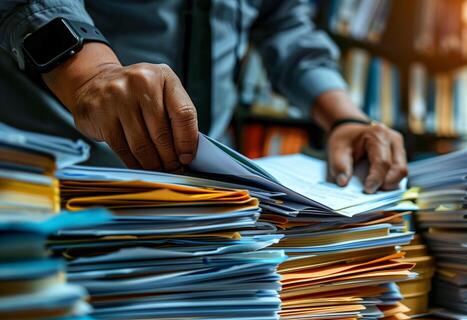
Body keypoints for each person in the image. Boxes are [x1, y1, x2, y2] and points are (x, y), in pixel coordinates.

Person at [0, 0, 407, 193]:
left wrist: (347, 119)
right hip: (53, 173)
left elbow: (285, 24)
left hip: (203, 193)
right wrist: (93, 74)